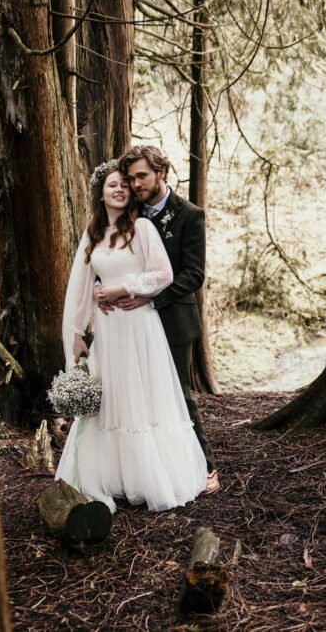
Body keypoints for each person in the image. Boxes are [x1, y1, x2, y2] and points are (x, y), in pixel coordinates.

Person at [55, 160, 208, 513]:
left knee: (145, 394)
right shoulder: (93, 235)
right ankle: (115, 475)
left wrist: (123, 287)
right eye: (113, 185)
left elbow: (162, 274)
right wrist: (76, 333)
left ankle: (151, 477)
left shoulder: (142, 228)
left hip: (140, 323)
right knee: (115, 396)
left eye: (125, 185)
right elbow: (80, 288)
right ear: (101, 193)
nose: (121, 189)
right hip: (108, 330)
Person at [104, 145, 219, 494]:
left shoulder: (189, 215)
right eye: (131, 178)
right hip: (131, 324)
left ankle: (206, 466)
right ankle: (152, 470)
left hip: (173, 320)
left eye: (142, 176)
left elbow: (193, 274)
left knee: (178, 394)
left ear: (161, 173)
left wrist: (150, 297)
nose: (135, 184)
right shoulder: (128, 211)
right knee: (138, 396)